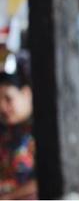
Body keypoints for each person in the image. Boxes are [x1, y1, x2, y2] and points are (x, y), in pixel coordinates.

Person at [0, 70, 36, 200]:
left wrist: (8, 197)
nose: (2, 107)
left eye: (8, 99)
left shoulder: (44, 131)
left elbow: (49, 179)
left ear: (26, 93)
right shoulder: (6, 133)